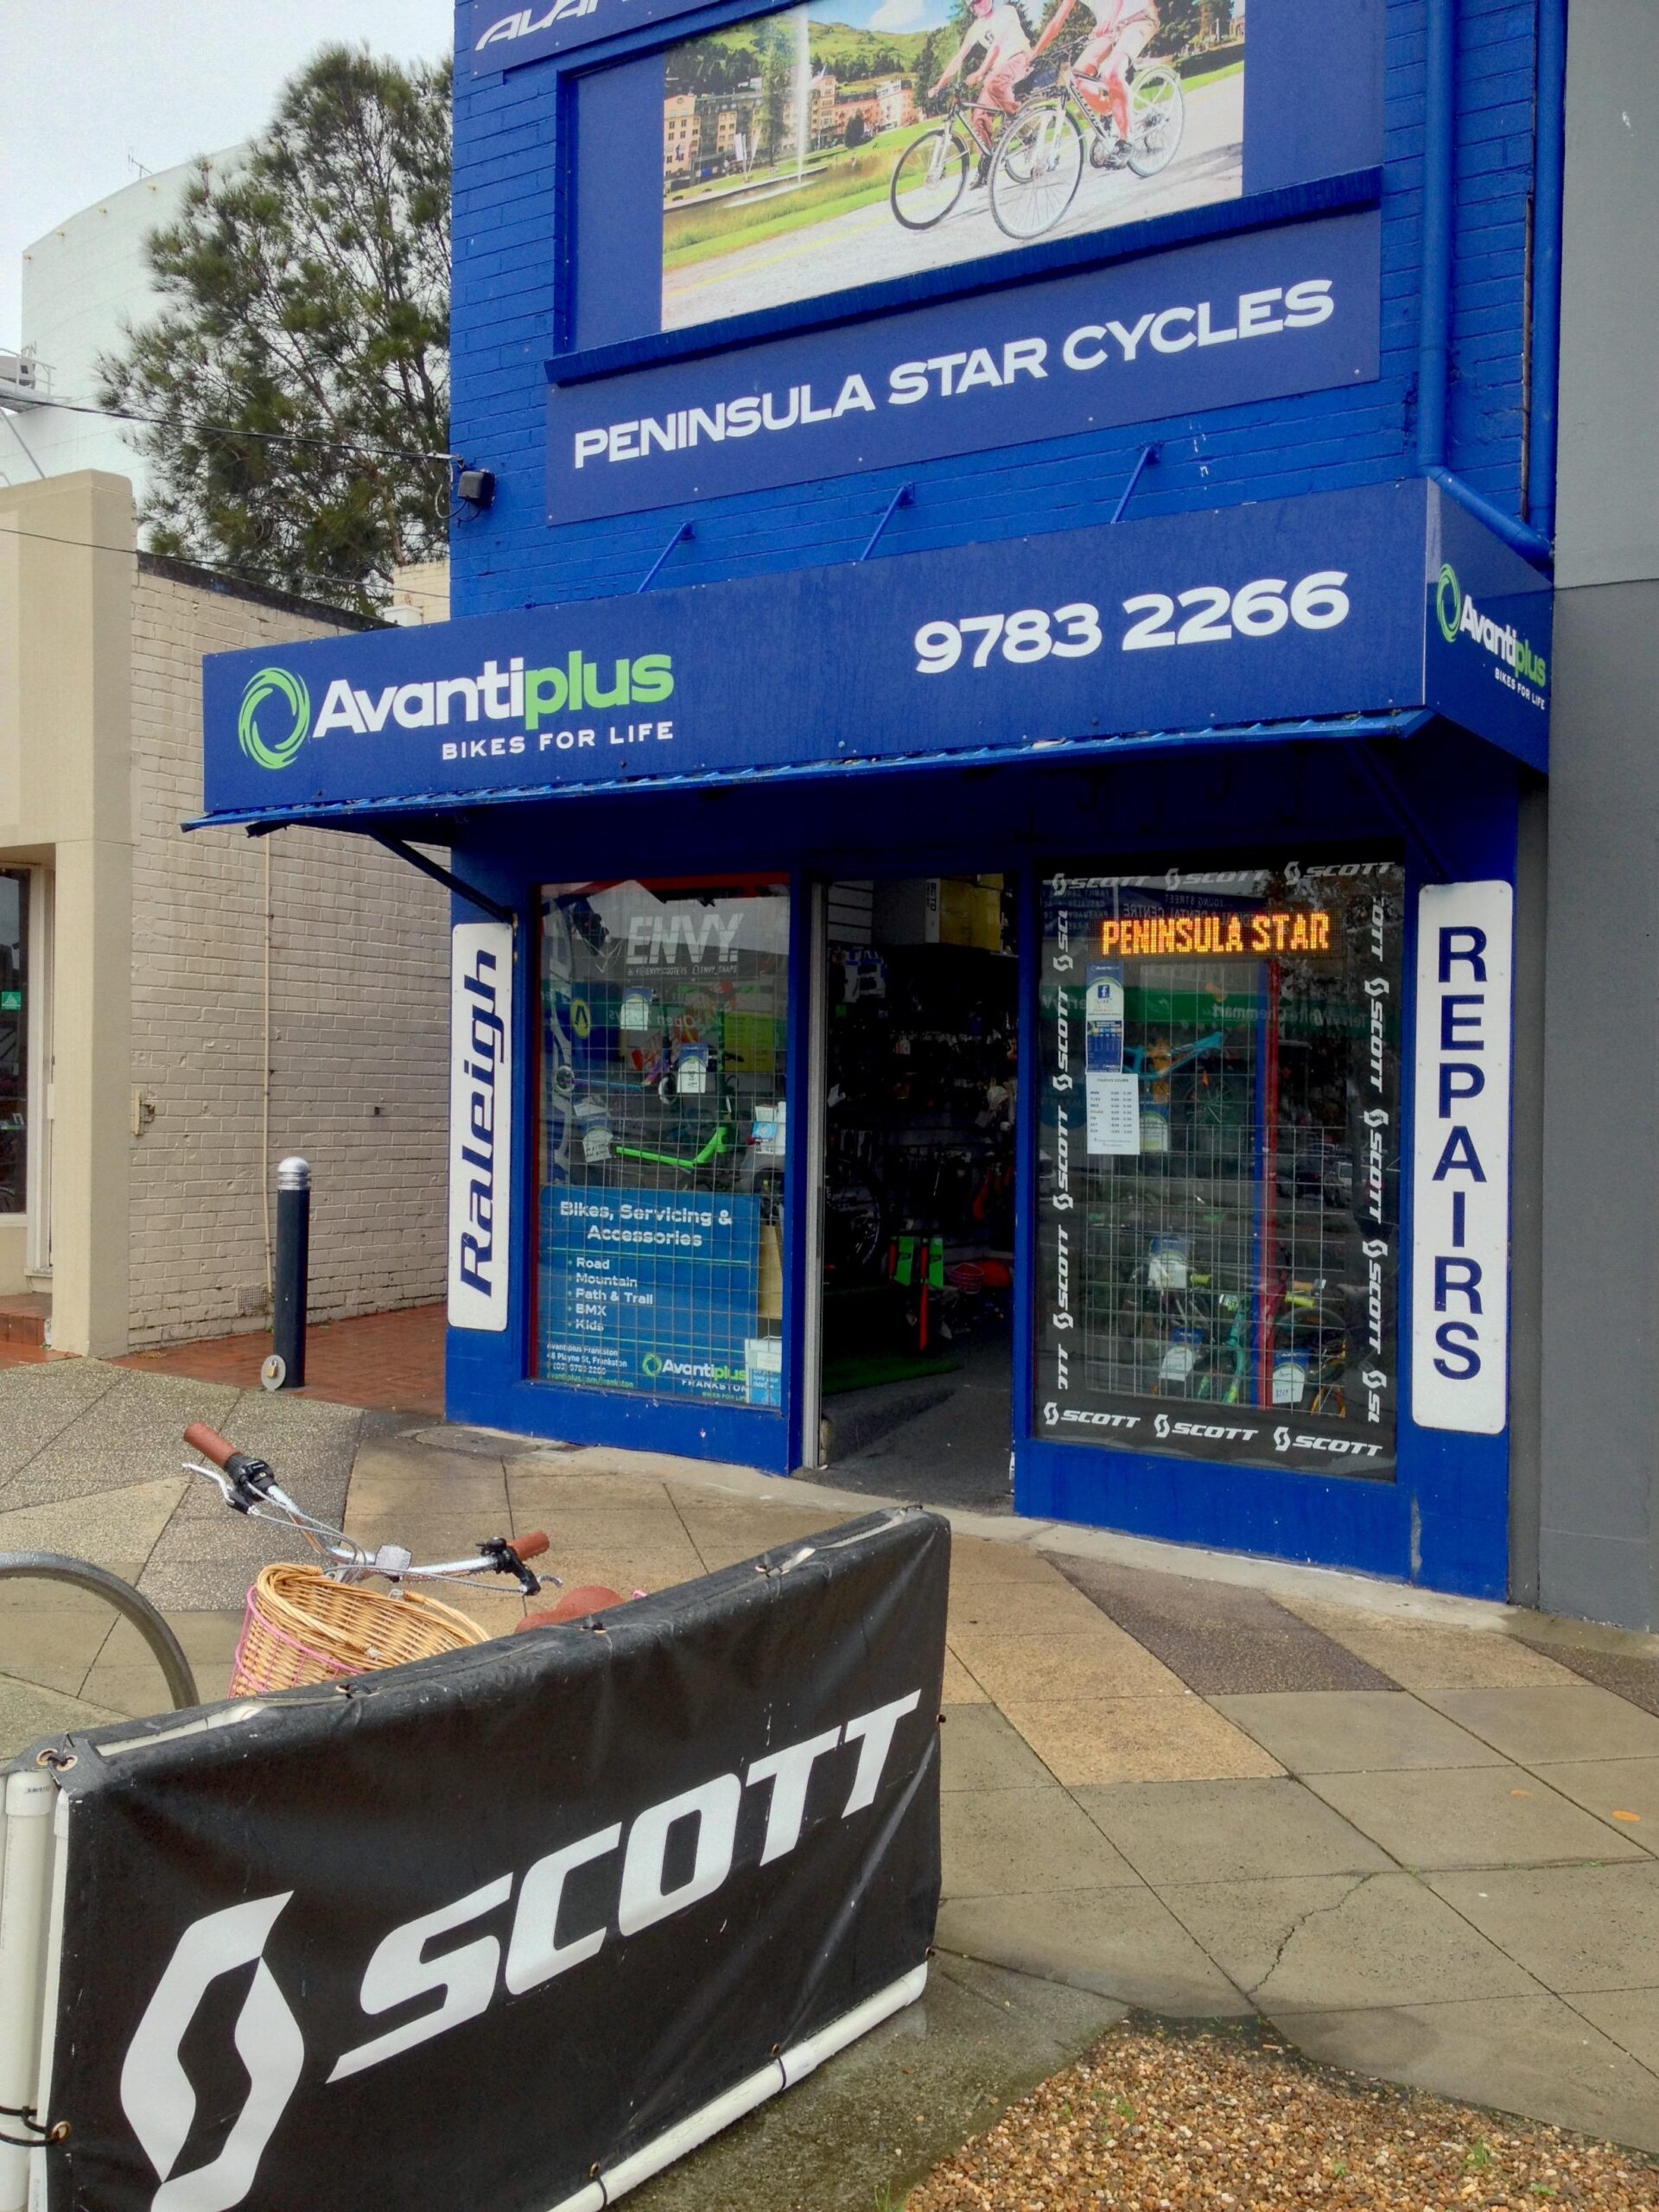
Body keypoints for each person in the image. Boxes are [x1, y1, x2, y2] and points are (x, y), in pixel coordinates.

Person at [1027, 0, 1158, 147]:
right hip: (1110, 29)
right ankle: (1109, 114)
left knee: (1112, 74)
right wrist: (1033, 55)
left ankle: (1126, 142)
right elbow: (1056, 23)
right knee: (1076, 79)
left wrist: (1110, 19)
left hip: (1139, 18)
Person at [931, 0, 1035, 181]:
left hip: (1019, 58)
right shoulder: (976, 28)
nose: (982, 3)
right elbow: (959, 57)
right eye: (976, 2)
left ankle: (1020, 121)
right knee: (979, 117)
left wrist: (979, 73)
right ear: (971, 8)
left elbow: (996, 46)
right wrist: (939, 85)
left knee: (991, 81)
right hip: (997, 71)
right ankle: (988, 162)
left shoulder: (1006, 11)